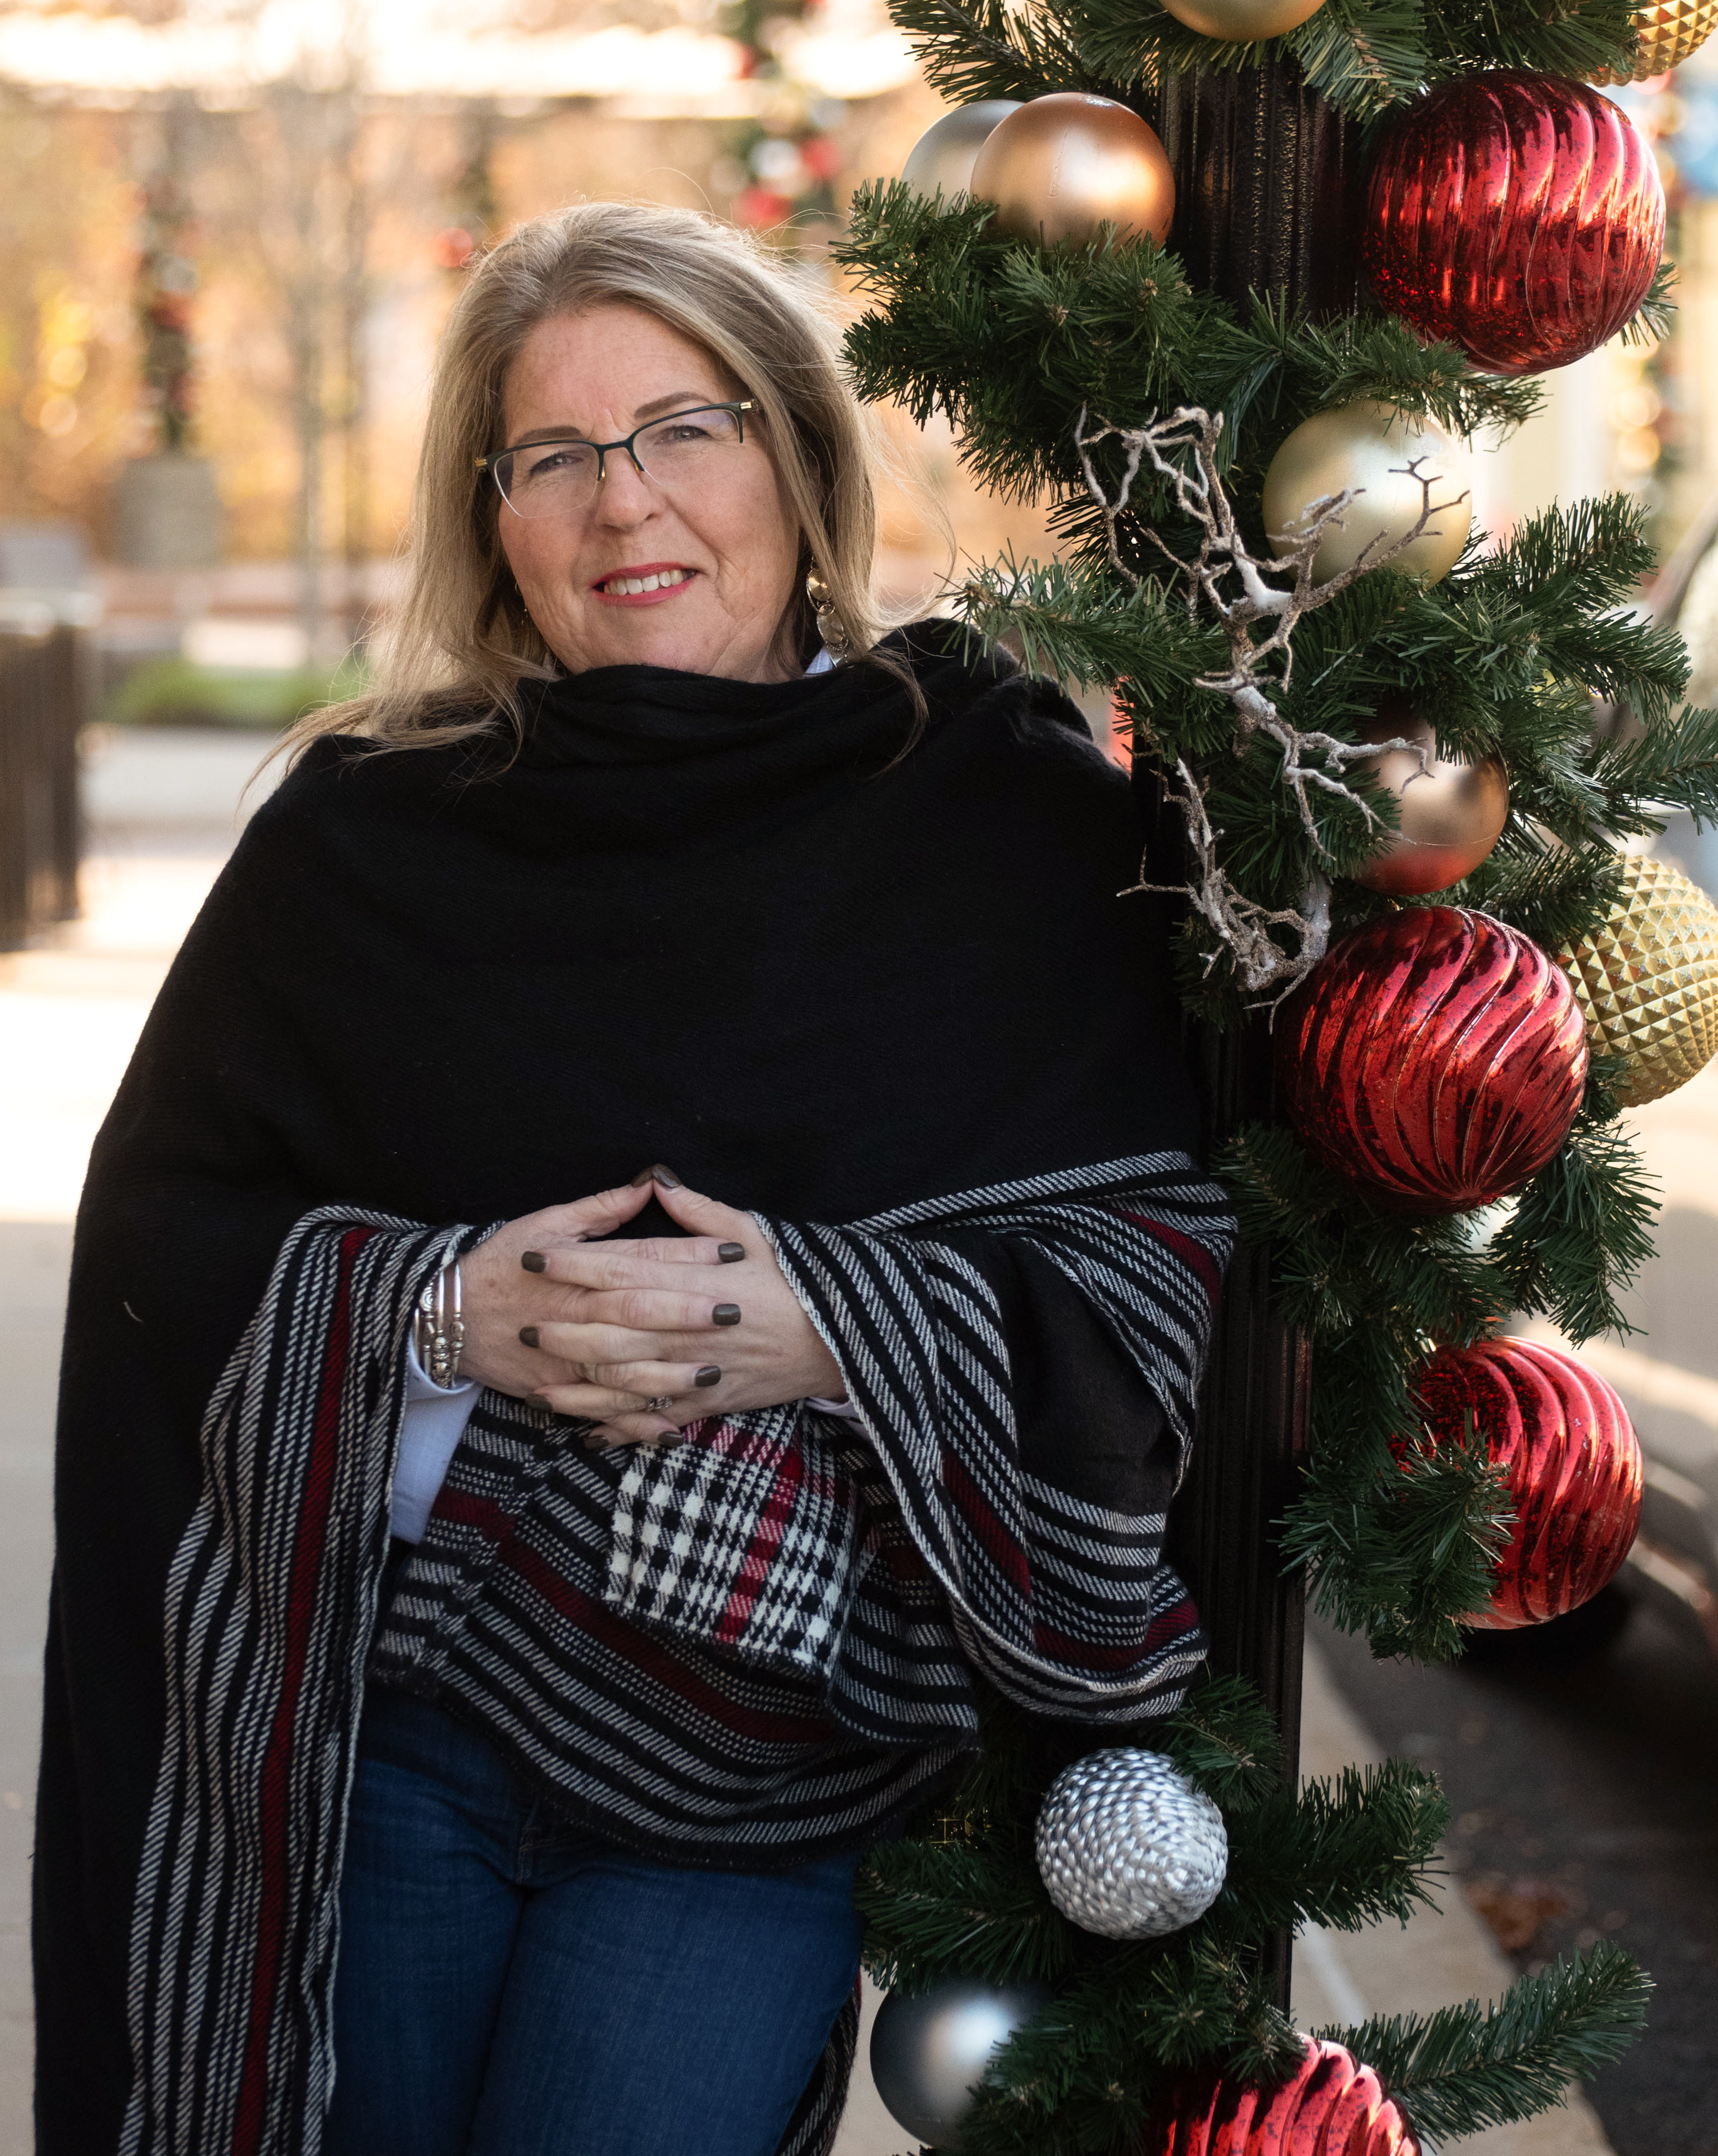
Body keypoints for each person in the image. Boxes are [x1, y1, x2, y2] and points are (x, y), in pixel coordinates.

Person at [35, 200, 1234, 2156]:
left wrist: (834, 1329)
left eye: (687, 428)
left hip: (755, 1786)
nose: (626, 506)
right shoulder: (367, 839)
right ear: (492, 516)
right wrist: (437, 1313)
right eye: (557, 458)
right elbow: (164, 1244)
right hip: (384, 1744)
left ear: (796, 451)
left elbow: (1156, 1248)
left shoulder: (996, 813)